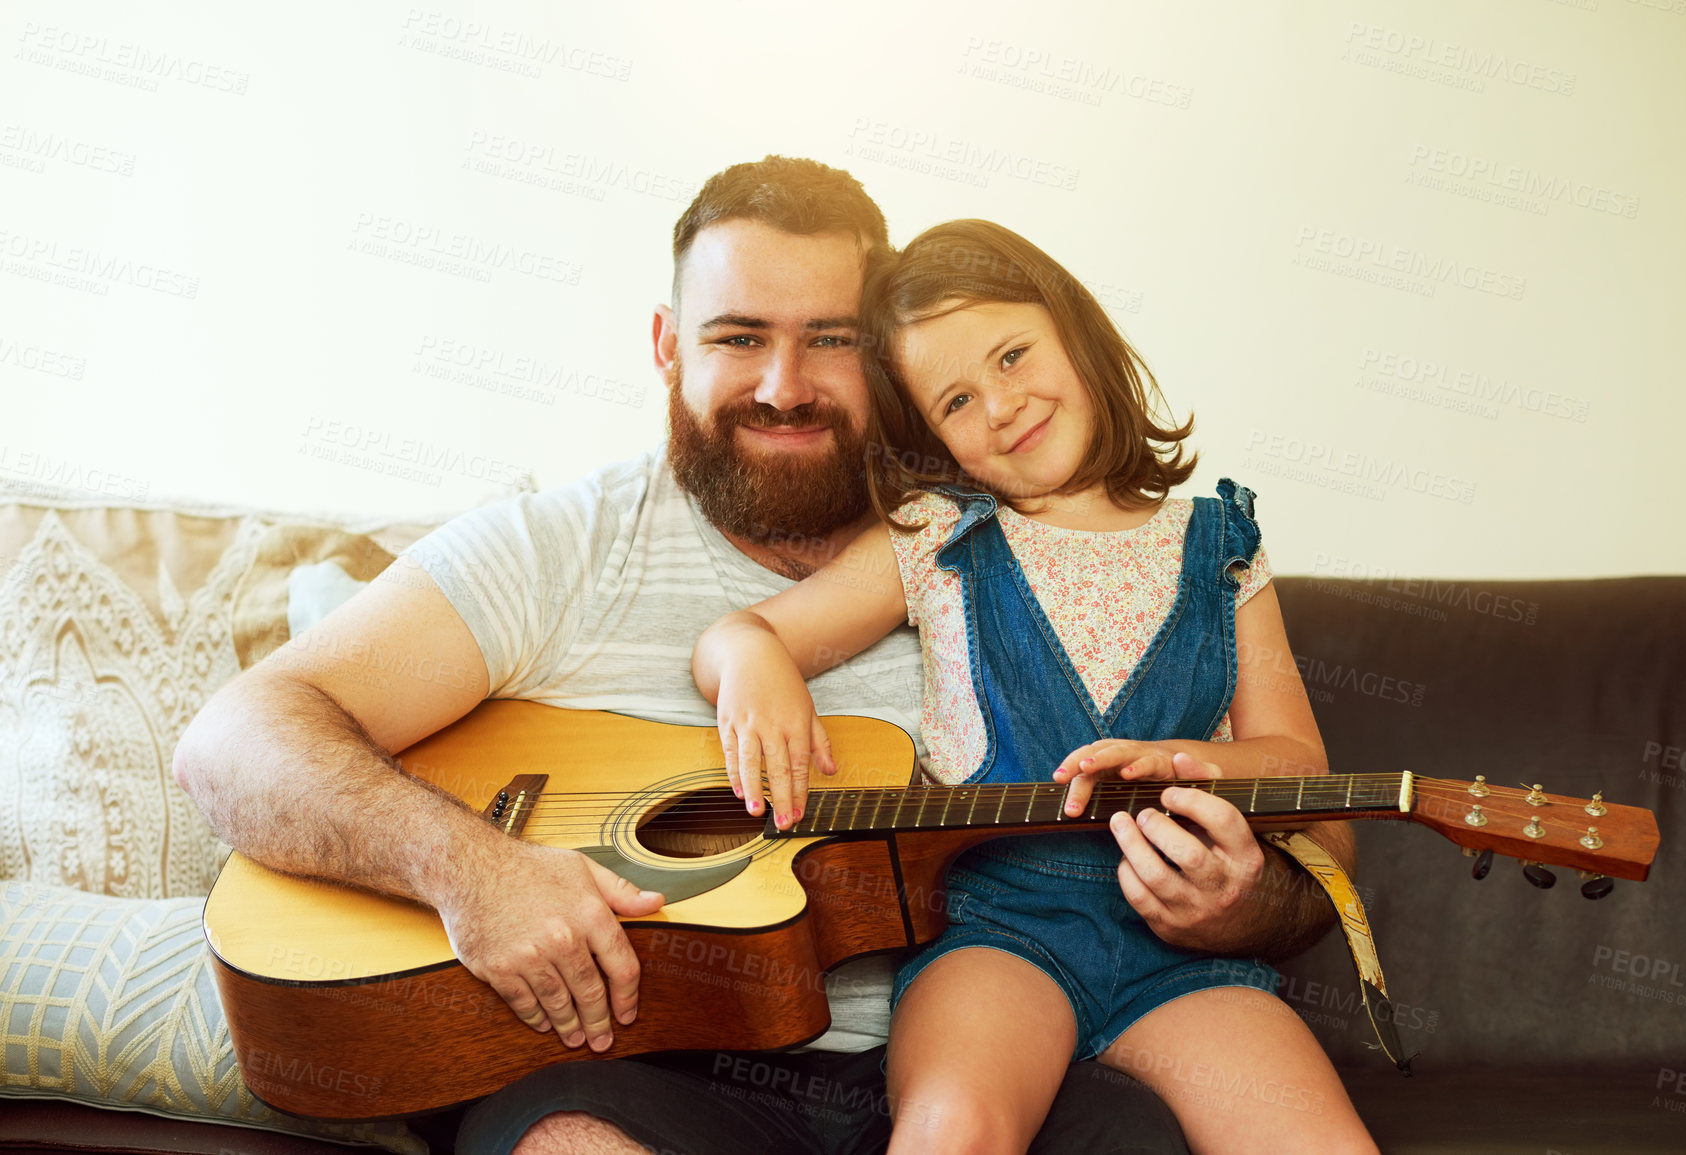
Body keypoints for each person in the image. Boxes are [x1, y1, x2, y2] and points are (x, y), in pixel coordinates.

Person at [174, 158, 1356, 1155]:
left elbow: (1310, 814)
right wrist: (471, 872)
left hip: (1009, 1035)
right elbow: (236, 740)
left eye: (829, 341)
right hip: (647, 1065)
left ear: (887, 368)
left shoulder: (985, 522)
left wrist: (1246, 903)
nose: (785, 386)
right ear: (664, 345)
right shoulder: (566, 544)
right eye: (738, 337)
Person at [691, 219, 1378, 1154]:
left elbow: (1297, 760)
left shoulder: (1221, 549)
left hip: (1182, 953)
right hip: (997, 933)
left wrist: (1185, 762)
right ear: (936, 440)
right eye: (959, 400)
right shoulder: (936, 537)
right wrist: (753, 664)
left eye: (1013, 355)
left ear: (1072, 327)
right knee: (953, 1127)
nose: (1003, 405)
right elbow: (745, 632)